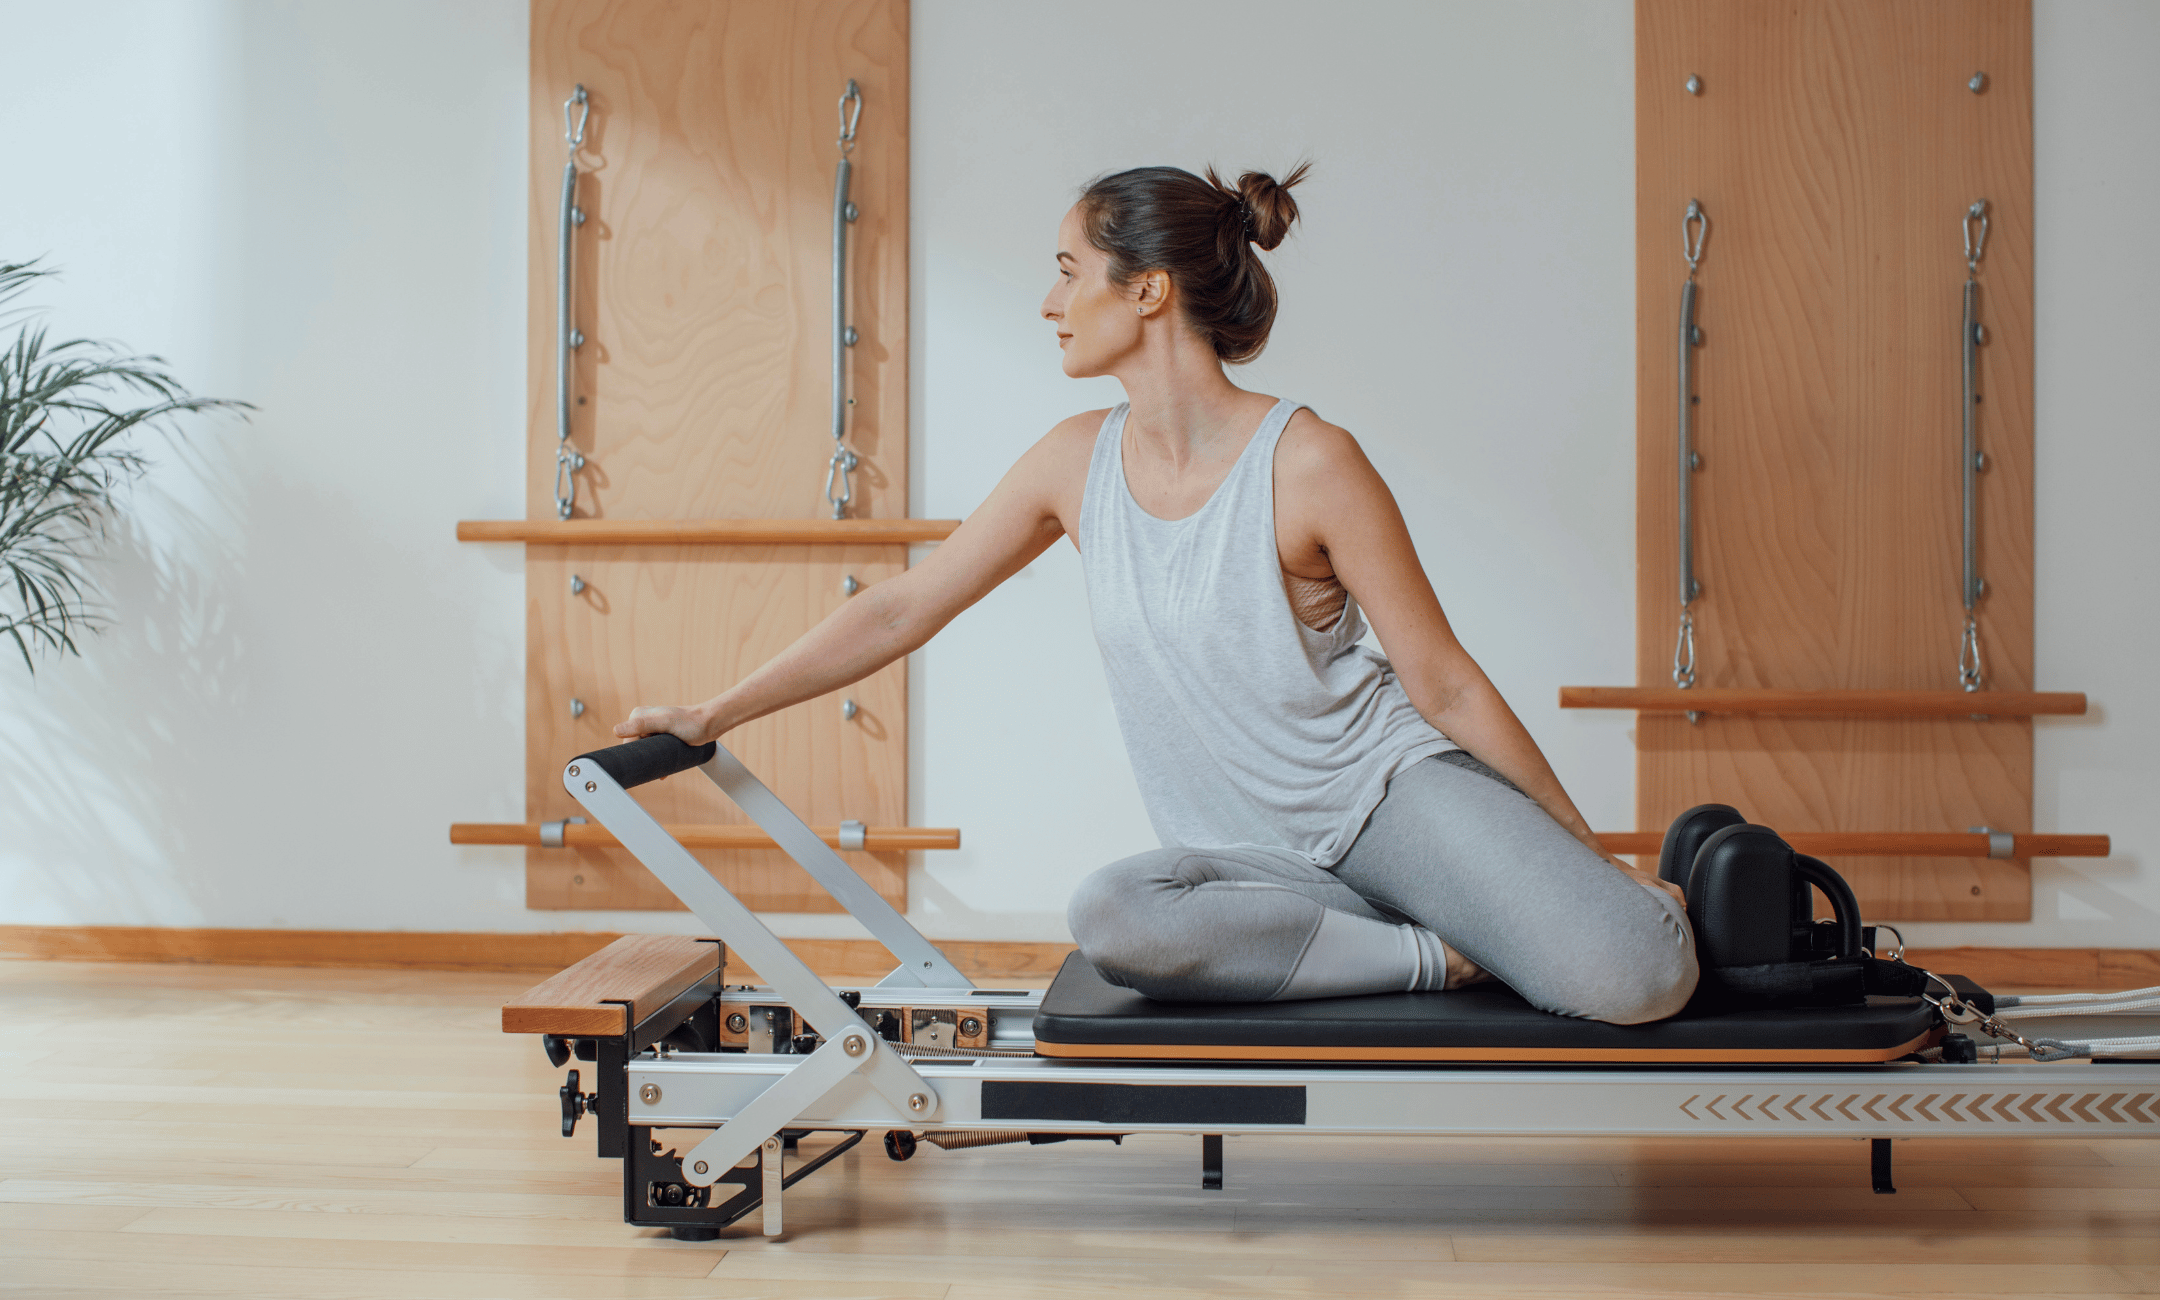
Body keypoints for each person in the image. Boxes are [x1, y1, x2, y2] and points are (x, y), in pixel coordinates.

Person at [616, 164, 1697, 1024]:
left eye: (1067, 268)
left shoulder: (1309, 461)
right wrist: (714, 714)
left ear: (1146, 289)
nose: (1048, 300)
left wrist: (1583, 856)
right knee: (1116, 913)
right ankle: (1435, 950)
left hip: (1385, 806)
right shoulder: (1071, 463)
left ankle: (1638, 881)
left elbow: (1445, 685)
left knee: (1636, 976)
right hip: (1254, 868)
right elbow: (905, 606)